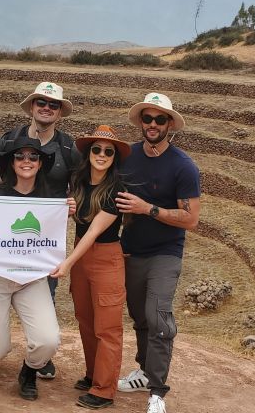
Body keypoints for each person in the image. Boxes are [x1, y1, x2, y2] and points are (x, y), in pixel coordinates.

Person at [0, 81, 80, 379]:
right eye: (41, 103)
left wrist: (66, 207)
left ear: (59, 111)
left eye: (53, 104)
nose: (46, 108)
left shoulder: (68, 147)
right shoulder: (9, 140)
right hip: (4, 236)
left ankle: (34, 364)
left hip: (41, 241)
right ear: (32, 107)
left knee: (40, 301)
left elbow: (77, 187)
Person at [0, 136, 75, 401]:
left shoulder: (53, 198)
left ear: (40, 163)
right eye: (20, 156)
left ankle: (29, 370)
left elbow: (52, 237)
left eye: (33, 157)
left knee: (48, 340)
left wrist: (67, 211)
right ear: (11, 162)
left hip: (31, 277)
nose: (27, 161)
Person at [115, 93, 201, 413]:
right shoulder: (128, 156)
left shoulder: (183, 166)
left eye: (159, 119)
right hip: (130, 250)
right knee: (140, 317)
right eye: (147, 119)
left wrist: (147, 208)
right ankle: (143, 369)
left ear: (170, 125)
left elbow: (190, 219)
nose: (152, 124)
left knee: (158, 316)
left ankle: (158, 391)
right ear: (141, 122)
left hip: (166, 252)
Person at [50, 125, 130, 409]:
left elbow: (95, 230)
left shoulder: (117, 189)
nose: (101, 154)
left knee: (107, 326)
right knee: (85, 319)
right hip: (83, 256)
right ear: (89, 153)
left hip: (106, 257)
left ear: (114, 157)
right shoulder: (79, 182)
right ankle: (93, 373)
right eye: (96, 149)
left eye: (108, 151)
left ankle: (104, 390)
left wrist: (67, 263)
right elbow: (79, 221)